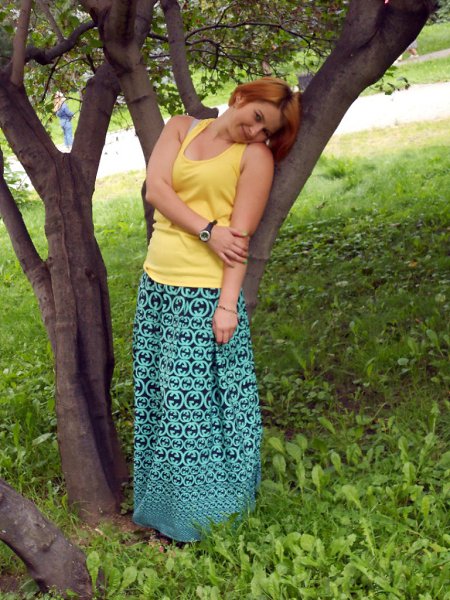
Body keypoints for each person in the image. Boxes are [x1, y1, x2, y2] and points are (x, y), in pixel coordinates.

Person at [132, 77, 301, 542]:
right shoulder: (180, 128)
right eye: (258, 119)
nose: (257, 133)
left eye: (267, 131)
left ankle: (204, 520)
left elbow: (239, 238)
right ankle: (163, 508)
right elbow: (156, 190)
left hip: (204, 295)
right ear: (241, 97)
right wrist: (208, 230)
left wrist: (228, 306)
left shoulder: (255, 158)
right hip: (157, 286)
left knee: (191, 407)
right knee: (159, 398)